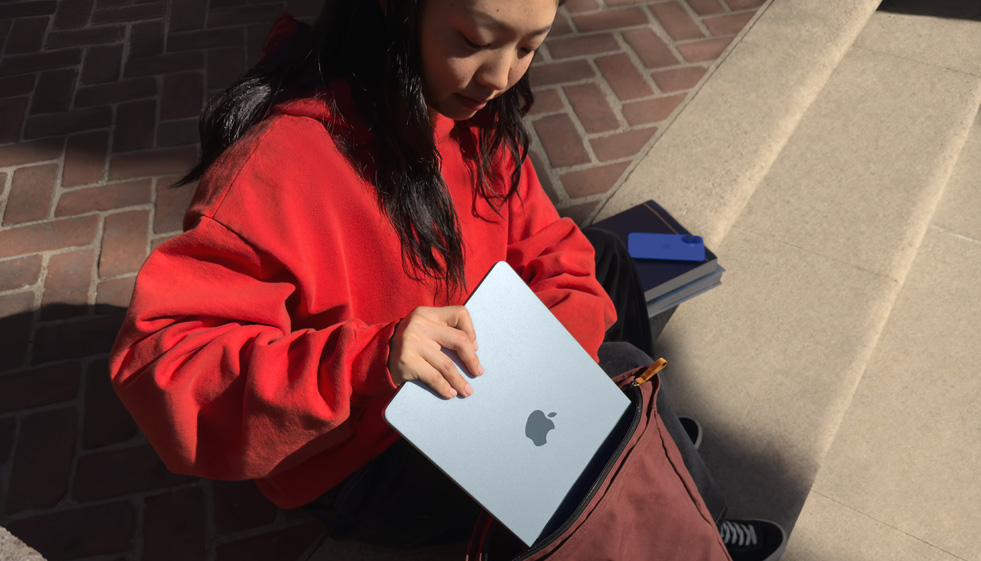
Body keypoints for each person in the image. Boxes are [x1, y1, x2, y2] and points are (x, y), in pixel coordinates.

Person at [108, 0, 785, 558]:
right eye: (472, 39)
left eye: (527, 47)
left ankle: (645, 463)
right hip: (362, 448)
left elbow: (554, 244)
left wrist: (551, 364)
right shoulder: (278, 168)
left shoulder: (475, 117)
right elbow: (164, 366)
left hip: (463, 380)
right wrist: (368, 358)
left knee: (607, 268)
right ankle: (670, 508)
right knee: (616, 382)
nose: (498, 74)